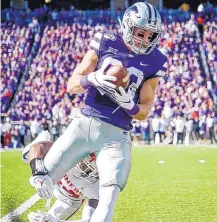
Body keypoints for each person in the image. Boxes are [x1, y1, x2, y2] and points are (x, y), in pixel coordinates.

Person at [29, 2, 167, 221]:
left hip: (118, 135)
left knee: (109, 194)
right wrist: (90, 79)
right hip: (86, 123)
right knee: (42, 178)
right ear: (128, 27)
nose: (145, 39)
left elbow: (145, 111)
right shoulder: (106, 41)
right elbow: (71, 85)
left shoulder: (157, 60)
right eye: (141, 32)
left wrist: (129, 104)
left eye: (151, 35)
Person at [22, 131, 99, 222]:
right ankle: (42, 138)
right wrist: (38, 174)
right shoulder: (78, 146)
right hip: (56, 174)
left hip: (69, 200)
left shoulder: (104, 184)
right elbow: (39, 147)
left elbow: (89, 220)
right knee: (26, 155)